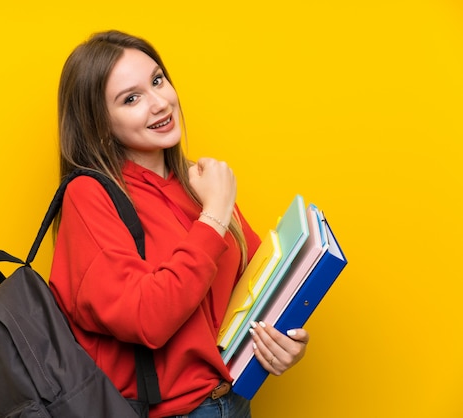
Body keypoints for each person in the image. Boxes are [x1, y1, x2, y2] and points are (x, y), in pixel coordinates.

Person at [48, 30, 309, 418]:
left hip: (234, 400)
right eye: (131, 99)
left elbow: (259, 281)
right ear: (99, 123)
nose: (159, 103)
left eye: (157, 80)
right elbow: (145, 317)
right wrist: (216, 213)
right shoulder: (88, 196)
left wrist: (286, 338)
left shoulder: (198, 183)